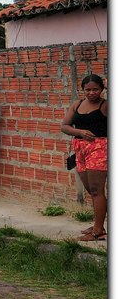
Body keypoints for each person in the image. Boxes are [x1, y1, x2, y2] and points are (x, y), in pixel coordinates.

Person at [61, 74, 108, 241]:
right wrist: (79, 132)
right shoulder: (77, 104)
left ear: (102, 89)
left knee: (97, 190)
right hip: (80, 148)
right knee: (91, 190)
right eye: (88, 89)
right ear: (82, 90)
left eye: (95, 89)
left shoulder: (105, 105)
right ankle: (99, 224)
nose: (92, 93)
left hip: (99, 148)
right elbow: (65, 126)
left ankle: (98, 231)